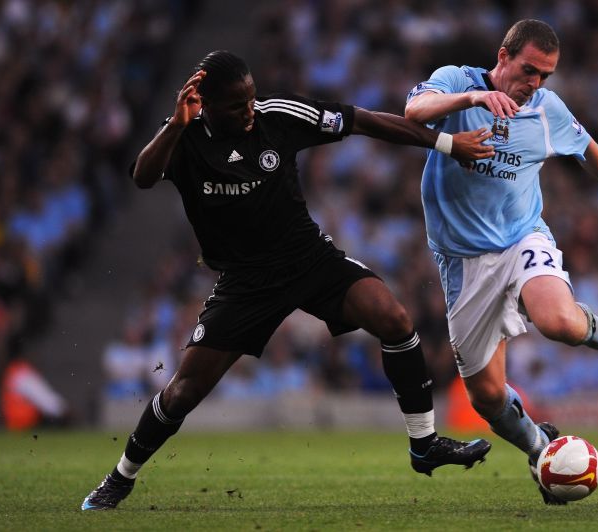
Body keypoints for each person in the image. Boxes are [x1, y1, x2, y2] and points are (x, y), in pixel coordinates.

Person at [82, 50, 496, 511]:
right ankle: (120, 477)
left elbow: (365, 121)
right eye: (237, 105)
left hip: (308, 260)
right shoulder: (183, 136)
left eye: (252, 98)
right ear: (207, 105)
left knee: (394, 318)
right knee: (184, 391)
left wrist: (446, 144)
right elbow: (142, 177)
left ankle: (425, 445)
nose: (249, 110)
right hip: (245, 283)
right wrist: (177, 125)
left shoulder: (277, 115)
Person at [404, 19, 598, 505]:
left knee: (558, 322)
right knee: (486, 397)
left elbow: (586, 145)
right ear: (503, 56)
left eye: (545, 76)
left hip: (522, 238)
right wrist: (472, 101)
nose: (535, 84)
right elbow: (413, 110)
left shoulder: (546, 109)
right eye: (529, 70)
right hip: (464, 264)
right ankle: (539, 447)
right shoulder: (456, 81)